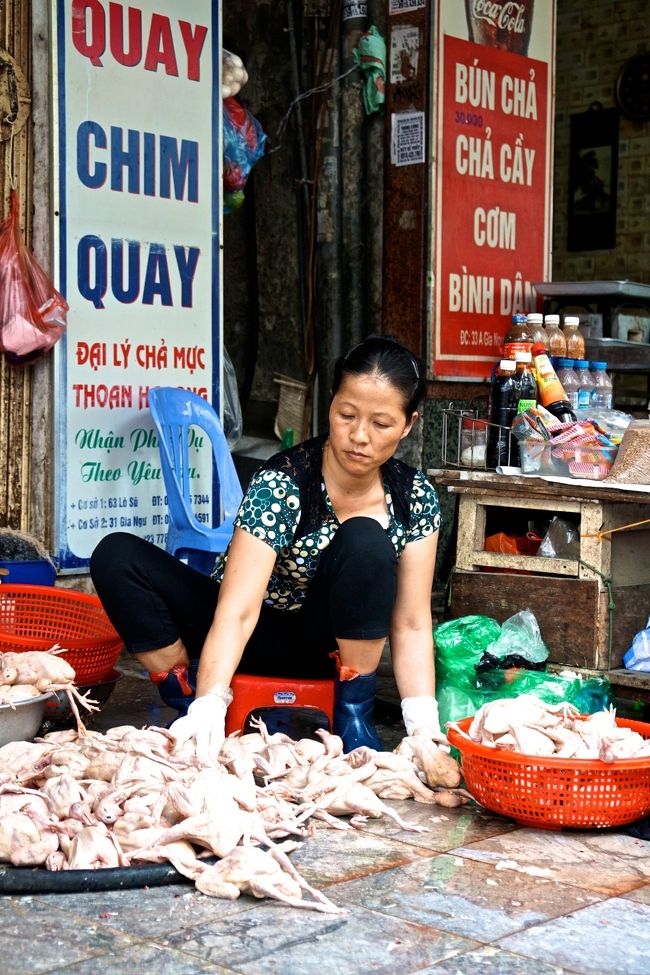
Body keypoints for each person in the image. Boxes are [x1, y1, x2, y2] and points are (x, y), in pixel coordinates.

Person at [90, 335, 443, 759]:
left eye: (381, 424)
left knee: (366, 537)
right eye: (346, 414)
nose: (359, 435)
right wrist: (209, 704)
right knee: (117, 555)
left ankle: (354, 712)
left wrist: (424, 727)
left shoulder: (415, 497)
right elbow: (237, 610)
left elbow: (412, 623)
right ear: (330, 405)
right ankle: (186, 699)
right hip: (245, 635)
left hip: (328, 647)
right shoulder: (282, 481)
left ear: (408, 424)